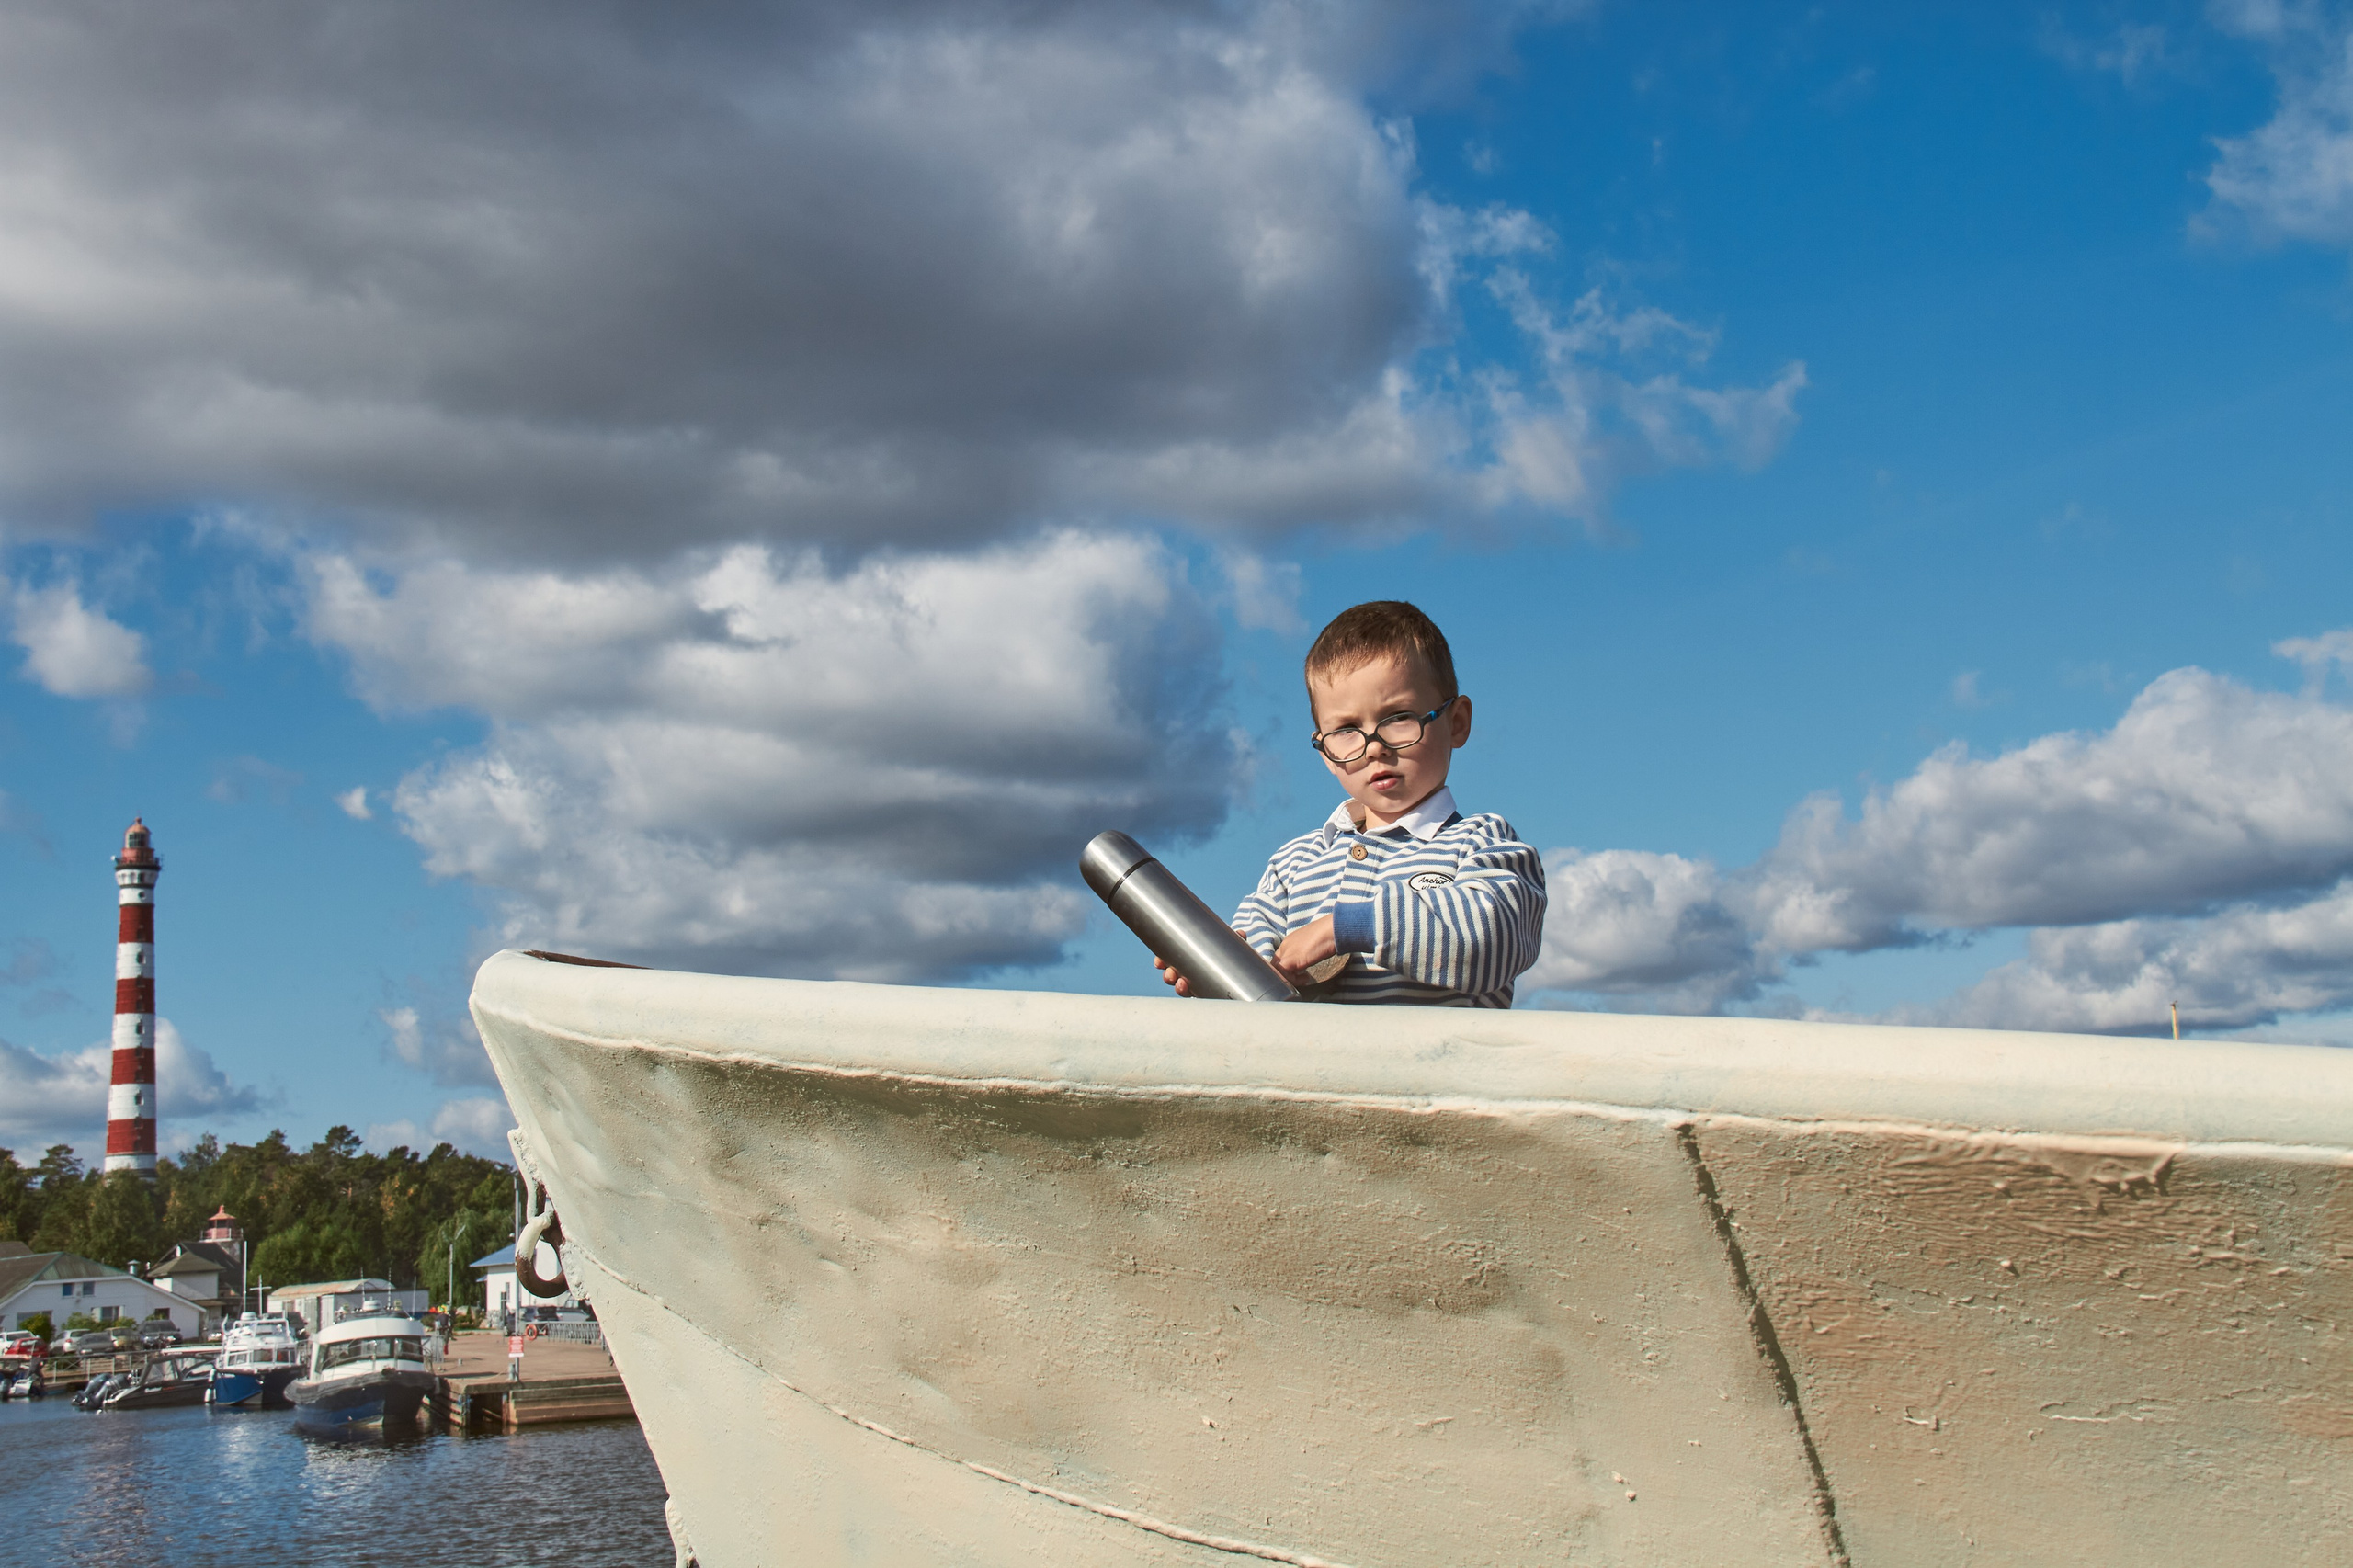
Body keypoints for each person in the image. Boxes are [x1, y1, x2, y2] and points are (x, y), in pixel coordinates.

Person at [1158, 600, 1546, 1007]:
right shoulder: (1293, 865)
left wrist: (1342, 928)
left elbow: (1493, 944)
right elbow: (1252, 991)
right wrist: (1210, 964)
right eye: (1345, 729)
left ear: (1457, 723)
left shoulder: (1481, 843)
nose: (1373, 747)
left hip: (1428, 1070)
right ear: (1325, 753)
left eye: (1398, 717)